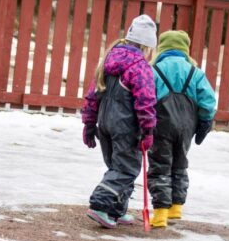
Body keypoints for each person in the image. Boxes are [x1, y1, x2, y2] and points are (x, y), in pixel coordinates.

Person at [81, 14, 158, 229]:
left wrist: (89, 124)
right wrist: (148, 129)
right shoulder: (139, 66)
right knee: (125, 169)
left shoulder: (107, 60)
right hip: (125, 126)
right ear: (147, 47)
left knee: (117, 166)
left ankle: (116, 209)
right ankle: (100, 205)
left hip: (104, 124)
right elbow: (146, 100)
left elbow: (93, 94)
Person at [147, 30, 216, 228]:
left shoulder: (154, 70)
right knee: (179, 163)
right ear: (185, 50)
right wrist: (204, 123)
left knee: (160, 165)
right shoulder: (195, 72)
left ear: (162, 49)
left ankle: (160, 213)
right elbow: (208, 101)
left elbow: (145, 97)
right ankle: (176, 207)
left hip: (161, 125)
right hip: (187, 126)